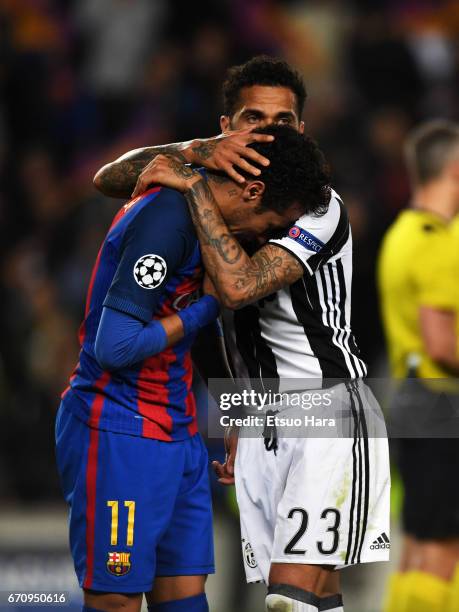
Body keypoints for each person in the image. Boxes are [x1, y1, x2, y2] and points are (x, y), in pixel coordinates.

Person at [95, 56, 390, 612]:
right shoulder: (214, 181)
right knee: (311, 598)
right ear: (226, 126)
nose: (267, 133)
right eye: (253, 119)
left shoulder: (316, 205)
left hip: (325, 409)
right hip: (265, 417)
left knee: (290, 600)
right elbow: (107, 180)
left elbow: (233, 289)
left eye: (282, 122)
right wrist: (190, 152)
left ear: (300, 131)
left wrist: (191, 185)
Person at [56, 123, 328, 612]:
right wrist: (205, 309)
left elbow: (195, 323)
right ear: (252, 190)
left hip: (178, 432)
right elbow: (114, 346)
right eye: (271, 224)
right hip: (118, 428)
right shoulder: (167, 217)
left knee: (185, 600)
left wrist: (233, 409)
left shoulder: (203, 221)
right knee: (117, 601)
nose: (267, 237)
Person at [378, 120, 459, 612]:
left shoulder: (401, 233)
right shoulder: (438, 242)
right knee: (443, 546)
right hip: (441, 401)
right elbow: (442, 341)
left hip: (409, 398)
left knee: (415, 543)